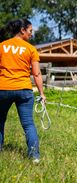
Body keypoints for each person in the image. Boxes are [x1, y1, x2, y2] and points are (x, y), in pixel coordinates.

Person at [0, 18, 46, 162]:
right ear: (22, 30)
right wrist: (42, 94)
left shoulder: (1, 46)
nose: (31, 34)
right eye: (30, 31)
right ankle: (34, 157)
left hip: (3, 89)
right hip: (24, 90)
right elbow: (36, 73)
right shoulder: (31, 49)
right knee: (28, 124)